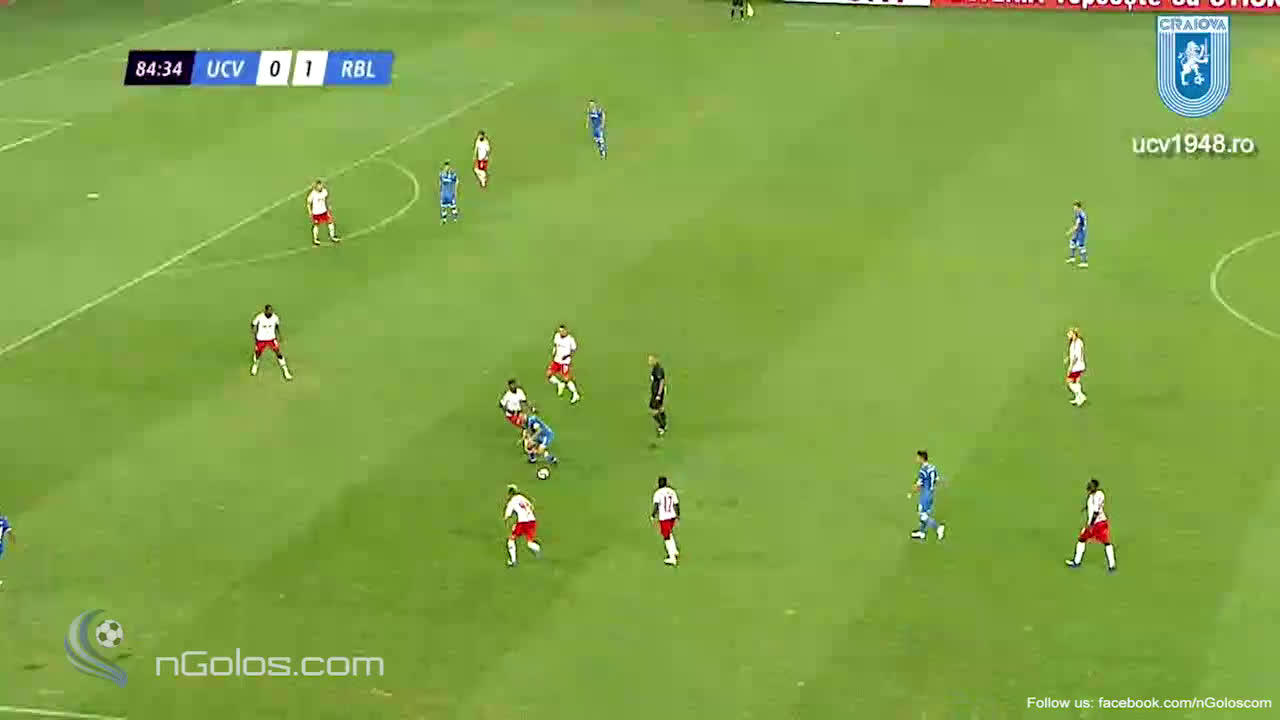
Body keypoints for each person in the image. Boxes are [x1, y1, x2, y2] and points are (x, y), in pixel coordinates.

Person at [1066, 478, 1116, 572]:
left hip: (1097, 523)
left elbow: (1096, 512)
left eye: (1091, 485)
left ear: (1095, 487)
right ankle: (1112, 565)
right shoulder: (1099, 494)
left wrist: (1091, 525)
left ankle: (1077, 562)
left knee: (1082, 539)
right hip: (1102, 522)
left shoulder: (1095, 497)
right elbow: (1096, 505)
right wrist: (1086, 507)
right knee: (1105, 542)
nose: (1089, 486)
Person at [909, 450, 946, 541]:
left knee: (922, 515)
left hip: (925, 495)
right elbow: (937, 480)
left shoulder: (923, 471)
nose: (916, 459)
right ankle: (921, 532)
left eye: (918, 457)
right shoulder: (932, 467)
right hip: (931, 493)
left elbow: (918, 485)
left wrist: (911, 493)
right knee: (925, 514)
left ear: (922, 458)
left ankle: (938, 528)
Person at [251, 304, 293, 380]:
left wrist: (279, 335)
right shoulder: (259, 317)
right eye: (269, 310)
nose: (270, 312)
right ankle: (255, 365)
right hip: (261, 339)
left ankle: (286, 371)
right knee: (258, 354)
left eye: (271, 310)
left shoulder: (275, 317)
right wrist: (254, 332)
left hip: (271, 339)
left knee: (278, 353)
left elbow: (276, 326)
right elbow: (253, 324)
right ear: (265, 310)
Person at [503, 485, 541, 567]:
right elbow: (531, 506)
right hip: (532, 521)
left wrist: (508, 522)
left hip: (523, 523)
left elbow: (507, 515)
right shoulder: (522, 497)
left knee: (511, 540)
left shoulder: (512, 502)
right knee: (530, 543)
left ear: (509, 493)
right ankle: (537, 550)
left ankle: (513, 561)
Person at [651, 476, 680, 566]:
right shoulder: (672, 491)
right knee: (669, 532)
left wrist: (653, 515)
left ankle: (672, 558)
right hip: (672, 516)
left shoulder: (658, 493)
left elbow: (656, 505)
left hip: (664, 517)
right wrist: (677, 515)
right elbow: (676, 504)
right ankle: (674, 550)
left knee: (666, 537)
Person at [306, 180, 340, 246]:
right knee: (316, 225)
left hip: (324, 211)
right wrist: (310, 212)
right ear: (316, 187)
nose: (320, 187)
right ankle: (315, 239)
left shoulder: (324, 191)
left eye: (321, 185)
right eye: (319, 186)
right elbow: (308, 203)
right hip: (316, 212)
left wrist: (328, 207)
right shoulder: (313, 194)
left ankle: (332, 236)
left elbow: (326, 200)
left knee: (330, 222)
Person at [648, 354, 667, 437]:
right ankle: (664, 423)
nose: (649, 362)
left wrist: (658, 395)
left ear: (655, 360)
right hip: (656, 393)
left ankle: (662, 426)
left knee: (654, 412)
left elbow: (661, 382)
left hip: (657, 394)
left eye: (650, 360)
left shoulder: (658, 370)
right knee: (660, 408)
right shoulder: (655, 368)